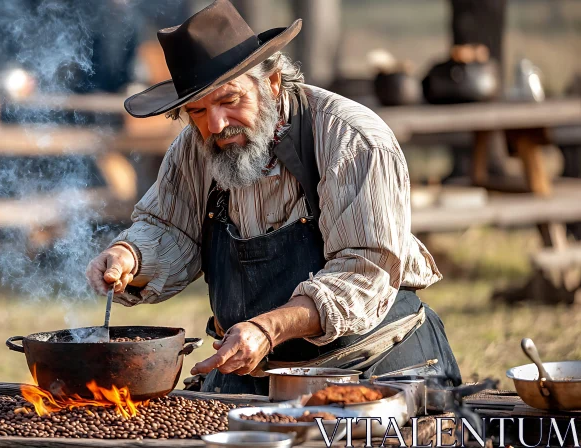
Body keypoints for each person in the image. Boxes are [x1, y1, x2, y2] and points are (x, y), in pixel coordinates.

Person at [86, 0, 461, 395]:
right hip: (255, 372)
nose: (216, 124)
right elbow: (170, 229)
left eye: (229, 100)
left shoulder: (351, 139)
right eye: (197, 110)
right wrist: (131, 256)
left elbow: (363, 273)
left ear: (272, 83)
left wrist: (268, 328)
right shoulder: (196, 146)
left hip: (371, 365)